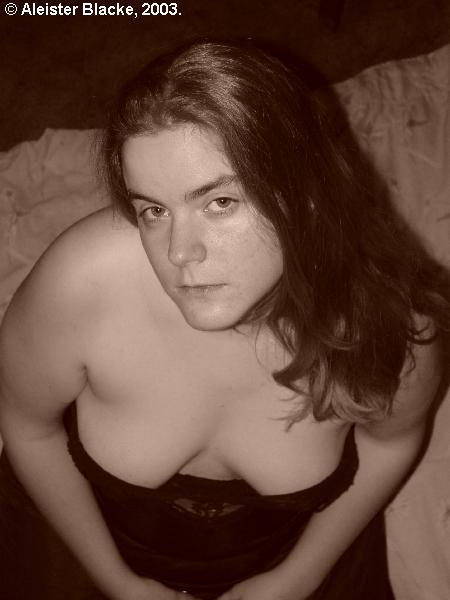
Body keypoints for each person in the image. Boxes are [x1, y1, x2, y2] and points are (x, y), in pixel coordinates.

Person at [0, 40, 448, 600]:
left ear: (307, 193)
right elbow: (27, 425)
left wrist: (295, 579)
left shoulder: (394, 329)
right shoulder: (79, 283)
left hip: (289, 557)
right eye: (153, 210)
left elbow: (390, 443)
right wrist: (117, 583)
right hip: (79, 533)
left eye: (220, 203)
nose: (179, 252)